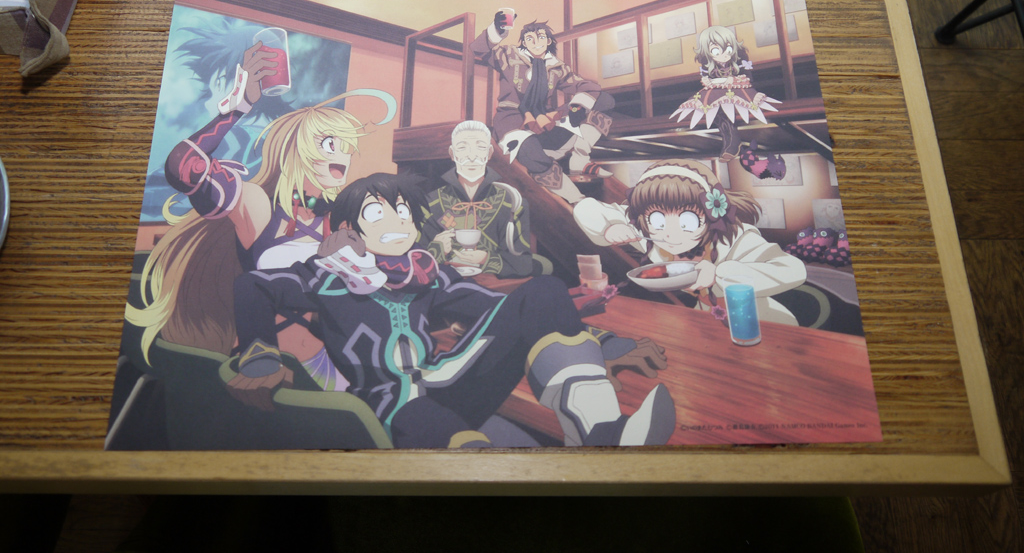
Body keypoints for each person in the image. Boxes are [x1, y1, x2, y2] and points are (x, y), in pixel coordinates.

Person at [229, 173, 675, 449]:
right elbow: (252, 286)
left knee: (543, 290)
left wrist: (600, 343)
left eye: (402, 211)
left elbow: (504, 309)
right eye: (378, 213)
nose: (397, 222)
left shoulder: (426, 272)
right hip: (389, 405)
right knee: (461, 448)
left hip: (444, 379)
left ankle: (603, 433)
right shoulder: (327, 276)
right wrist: (258, 353)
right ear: (349, 229)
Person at [126, 39, 396, 393]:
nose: (343, 156)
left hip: (333, 358)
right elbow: (185, 168)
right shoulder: (259, 205)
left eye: (347, 147)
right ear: (296, 150)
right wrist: (238, 107)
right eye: (331, 144)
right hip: (271, 366)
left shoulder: (338, 218)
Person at [573, 159, 803, 325]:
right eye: (658, 219)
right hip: (707, 319)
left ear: (711, 214)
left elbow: (792, 270)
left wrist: (719, 274)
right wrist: (612, 226)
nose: (671, 234)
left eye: (687, 221)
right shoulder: (648, 233)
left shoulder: (736, 236)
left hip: (761, 322)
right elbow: (585, 208)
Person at [470, 9, 614, 205]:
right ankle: (577, 200)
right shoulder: (509, 56)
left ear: (548, 41)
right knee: (530, 152)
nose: (535, 42)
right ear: (523, 42)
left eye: (540, 37)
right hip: (513, 122)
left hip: (546, 121)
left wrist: (574, 108)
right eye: (529, 38)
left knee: (604, 100)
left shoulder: (556, 67)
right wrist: (499, 27)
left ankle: (580, 159)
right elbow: (478, 49)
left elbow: (588, 86)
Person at [421, 120, 533, 279]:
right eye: (462, 147)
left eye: (480, 147)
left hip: (497, 286)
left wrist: (486, 259)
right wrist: (437, 250)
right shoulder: (431, 202)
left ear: (489, 153)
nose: (472, 156)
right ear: (452, 154)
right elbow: (414, 260)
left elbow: (524, 264)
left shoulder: (512, 202)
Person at [671, 25, 779, 160]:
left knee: (718, 103)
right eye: (716, 51)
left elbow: (748, 78)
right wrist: (709, 81)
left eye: (728, 49)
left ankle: (732, 142)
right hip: (717, 91)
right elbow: (708, 78)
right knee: (708, 103)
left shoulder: (740, 56)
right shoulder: (706, 60)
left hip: (740, 89)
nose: (724, 55)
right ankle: (731, 139)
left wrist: (731, 80)